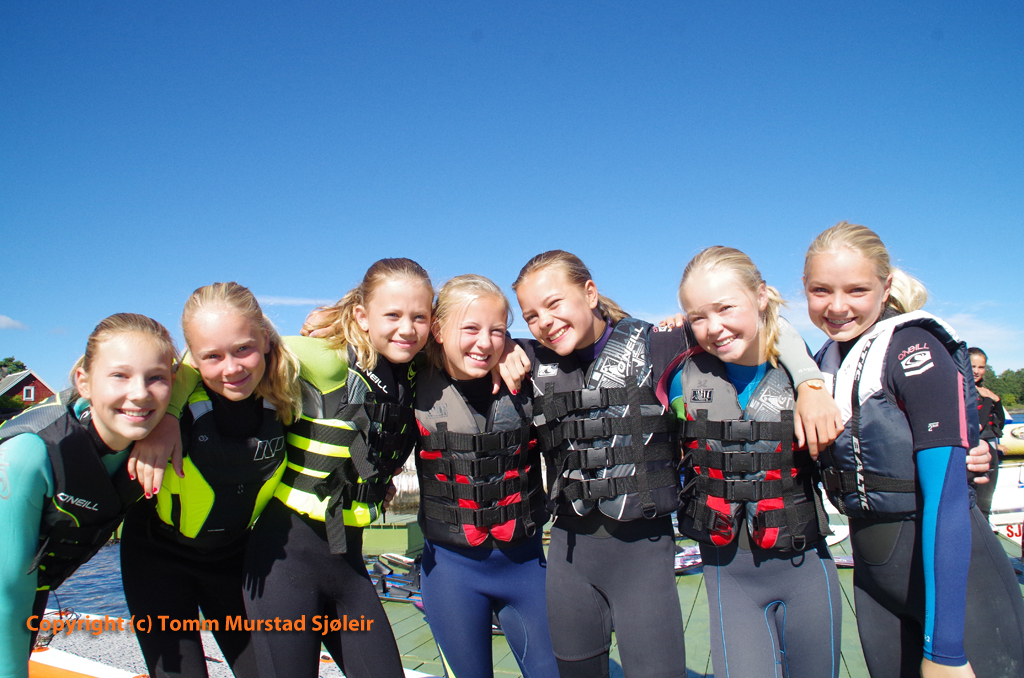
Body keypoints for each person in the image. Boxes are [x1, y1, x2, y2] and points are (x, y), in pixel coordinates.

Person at [511, 250, 840, 678]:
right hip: (569, 559)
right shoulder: (530, 359)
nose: (544, 321)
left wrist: (810, 381)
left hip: (645, 553)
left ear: (590, 293)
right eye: (531, 316)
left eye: (554, 303)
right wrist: (505, 352)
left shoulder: (662, 344)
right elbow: (472, 349)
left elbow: (768, 326)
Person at [804, 221, 1024, 678]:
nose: (837, 306)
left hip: (957, 585)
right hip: (875, 581)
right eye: (821, 290)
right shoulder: (823, 362)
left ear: (885, 289)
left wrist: (946, 650)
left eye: (857, 290)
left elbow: (947, 499)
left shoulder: (913, 348)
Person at [243, 258, 432, 678]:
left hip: (348, 565)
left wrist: (510, 351)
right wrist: (166, 420)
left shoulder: (415, 372)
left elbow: (471, 340)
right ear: (362, 317)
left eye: (419, 317)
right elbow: (231, 344)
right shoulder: (325, 358)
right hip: (283, 561)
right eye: (393, 315)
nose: (407, 328)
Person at [661, 246, 841, 678]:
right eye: (698, 316)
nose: (713, 327)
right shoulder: (677, 370)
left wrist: (811, 384)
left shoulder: (810, 372)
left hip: (804, 565)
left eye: (725, 308)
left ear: (761, 296)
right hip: (729, 576)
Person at [119, 283, 301, 678]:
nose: (231, 369)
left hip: (235, 558)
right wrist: (165, 418)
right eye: (212, 356)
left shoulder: (290, 393)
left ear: (265, 339)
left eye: (243, 349)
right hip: (156, 557)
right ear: (192, 358)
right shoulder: (166, 401)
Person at [0, 313, 176, 678]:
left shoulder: (153, 435)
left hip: (31, 590)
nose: (140, 393)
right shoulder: (31, 454)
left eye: (156, 377)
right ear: (84, 382)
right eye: (120, 375)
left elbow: (211, 360)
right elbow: (8, 595)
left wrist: (170, 420)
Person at [413, 274, 557, 678]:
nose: (484, 342)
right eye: (470, 328)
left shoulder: (528, 373)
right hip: (450, 573)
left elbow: (585, 338)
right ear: (438, 331)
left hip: (526, 566)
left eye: (497, 330)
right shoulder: (413, 381)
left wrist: (512, 345)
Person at [968, 347, 1005, 519]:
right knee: (974, 500)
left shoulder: (984, 391)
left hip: (990, 447)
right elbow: (978, 426)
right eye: (972, 366)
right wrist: (989, 399)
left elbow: (999, 425)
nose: (976, 371)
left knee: (985, 500)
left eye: (981, 367)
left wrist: (997, 401)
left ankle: (984, 529)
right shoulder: (963, 391)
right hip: (975, 449)